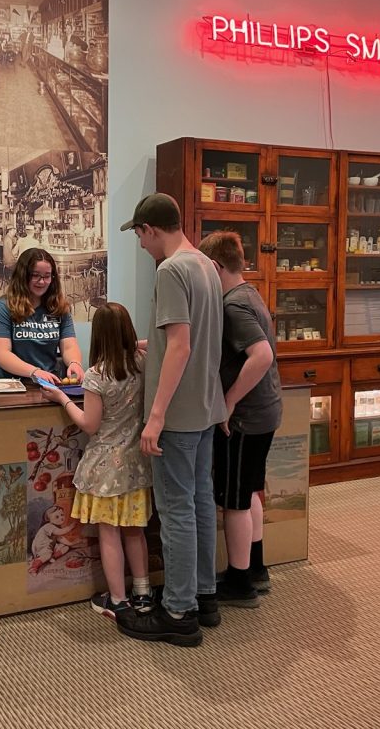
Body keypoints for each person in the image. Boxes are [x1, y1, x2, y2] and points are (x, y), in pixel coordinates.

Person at [115, 193, 226, 647]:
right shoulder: (206, 265)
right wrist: (151, 345)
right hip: (205, 407)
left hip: (177, 415)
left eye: (140, 236)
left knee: (176, 508)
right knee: (200, 501)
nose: (141, 245)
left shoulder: (171, 270)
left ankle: (179, 612)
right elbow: (190, 338)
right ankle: (203, 594)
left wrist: (155, 416)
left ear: (150, 229)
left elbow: (180, 345)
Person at [38, 302, 154, 621]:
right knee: (135, 531)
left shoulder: (97, 375)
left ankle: (117, 599)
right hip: (137, 466)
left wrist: (62, 398)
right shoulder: (143, 363)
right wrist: (131, 342)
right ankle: (143, 593)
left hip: (104, 470)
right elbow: (157, 343)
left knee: (109, 533)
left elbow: (89, 424)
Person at [199, 231, 282, 607]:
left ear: (215, 267)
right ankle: (255, 568)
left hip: (245, 418)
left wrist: (229, 402)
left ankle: (239, 581)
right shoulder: (250, 294)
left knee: (233, 500)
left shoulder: (232, 306)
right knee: (247, 491)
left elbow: (261, 356)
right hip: (265, 411)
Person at [0, 247, 85, 385]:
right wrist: (34, 371)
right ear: (23, 275)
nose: (42, 281)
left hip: (47, 381)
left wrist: (75, 363)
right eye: (35, 275)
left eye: (47, 276)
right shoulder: (3, 308)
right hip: (10, 382)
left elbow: (69, 346)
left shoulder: (59, 308)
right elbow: (1, 354)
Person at [28, 505, 74, 574]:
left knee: (65, 547)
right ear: (49, 520)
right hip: (41, 547)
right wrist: (70, 527)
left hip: (50, 546)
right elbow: (60, 532)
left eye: (62, 515)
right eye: (57, 517)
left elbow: (60, 538)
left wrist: (71, 544)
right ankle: (33, 567)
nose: (61, 518)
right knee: (47, 554)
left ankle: (52, 557)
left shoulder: (55, 527)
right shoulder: (49, 526)